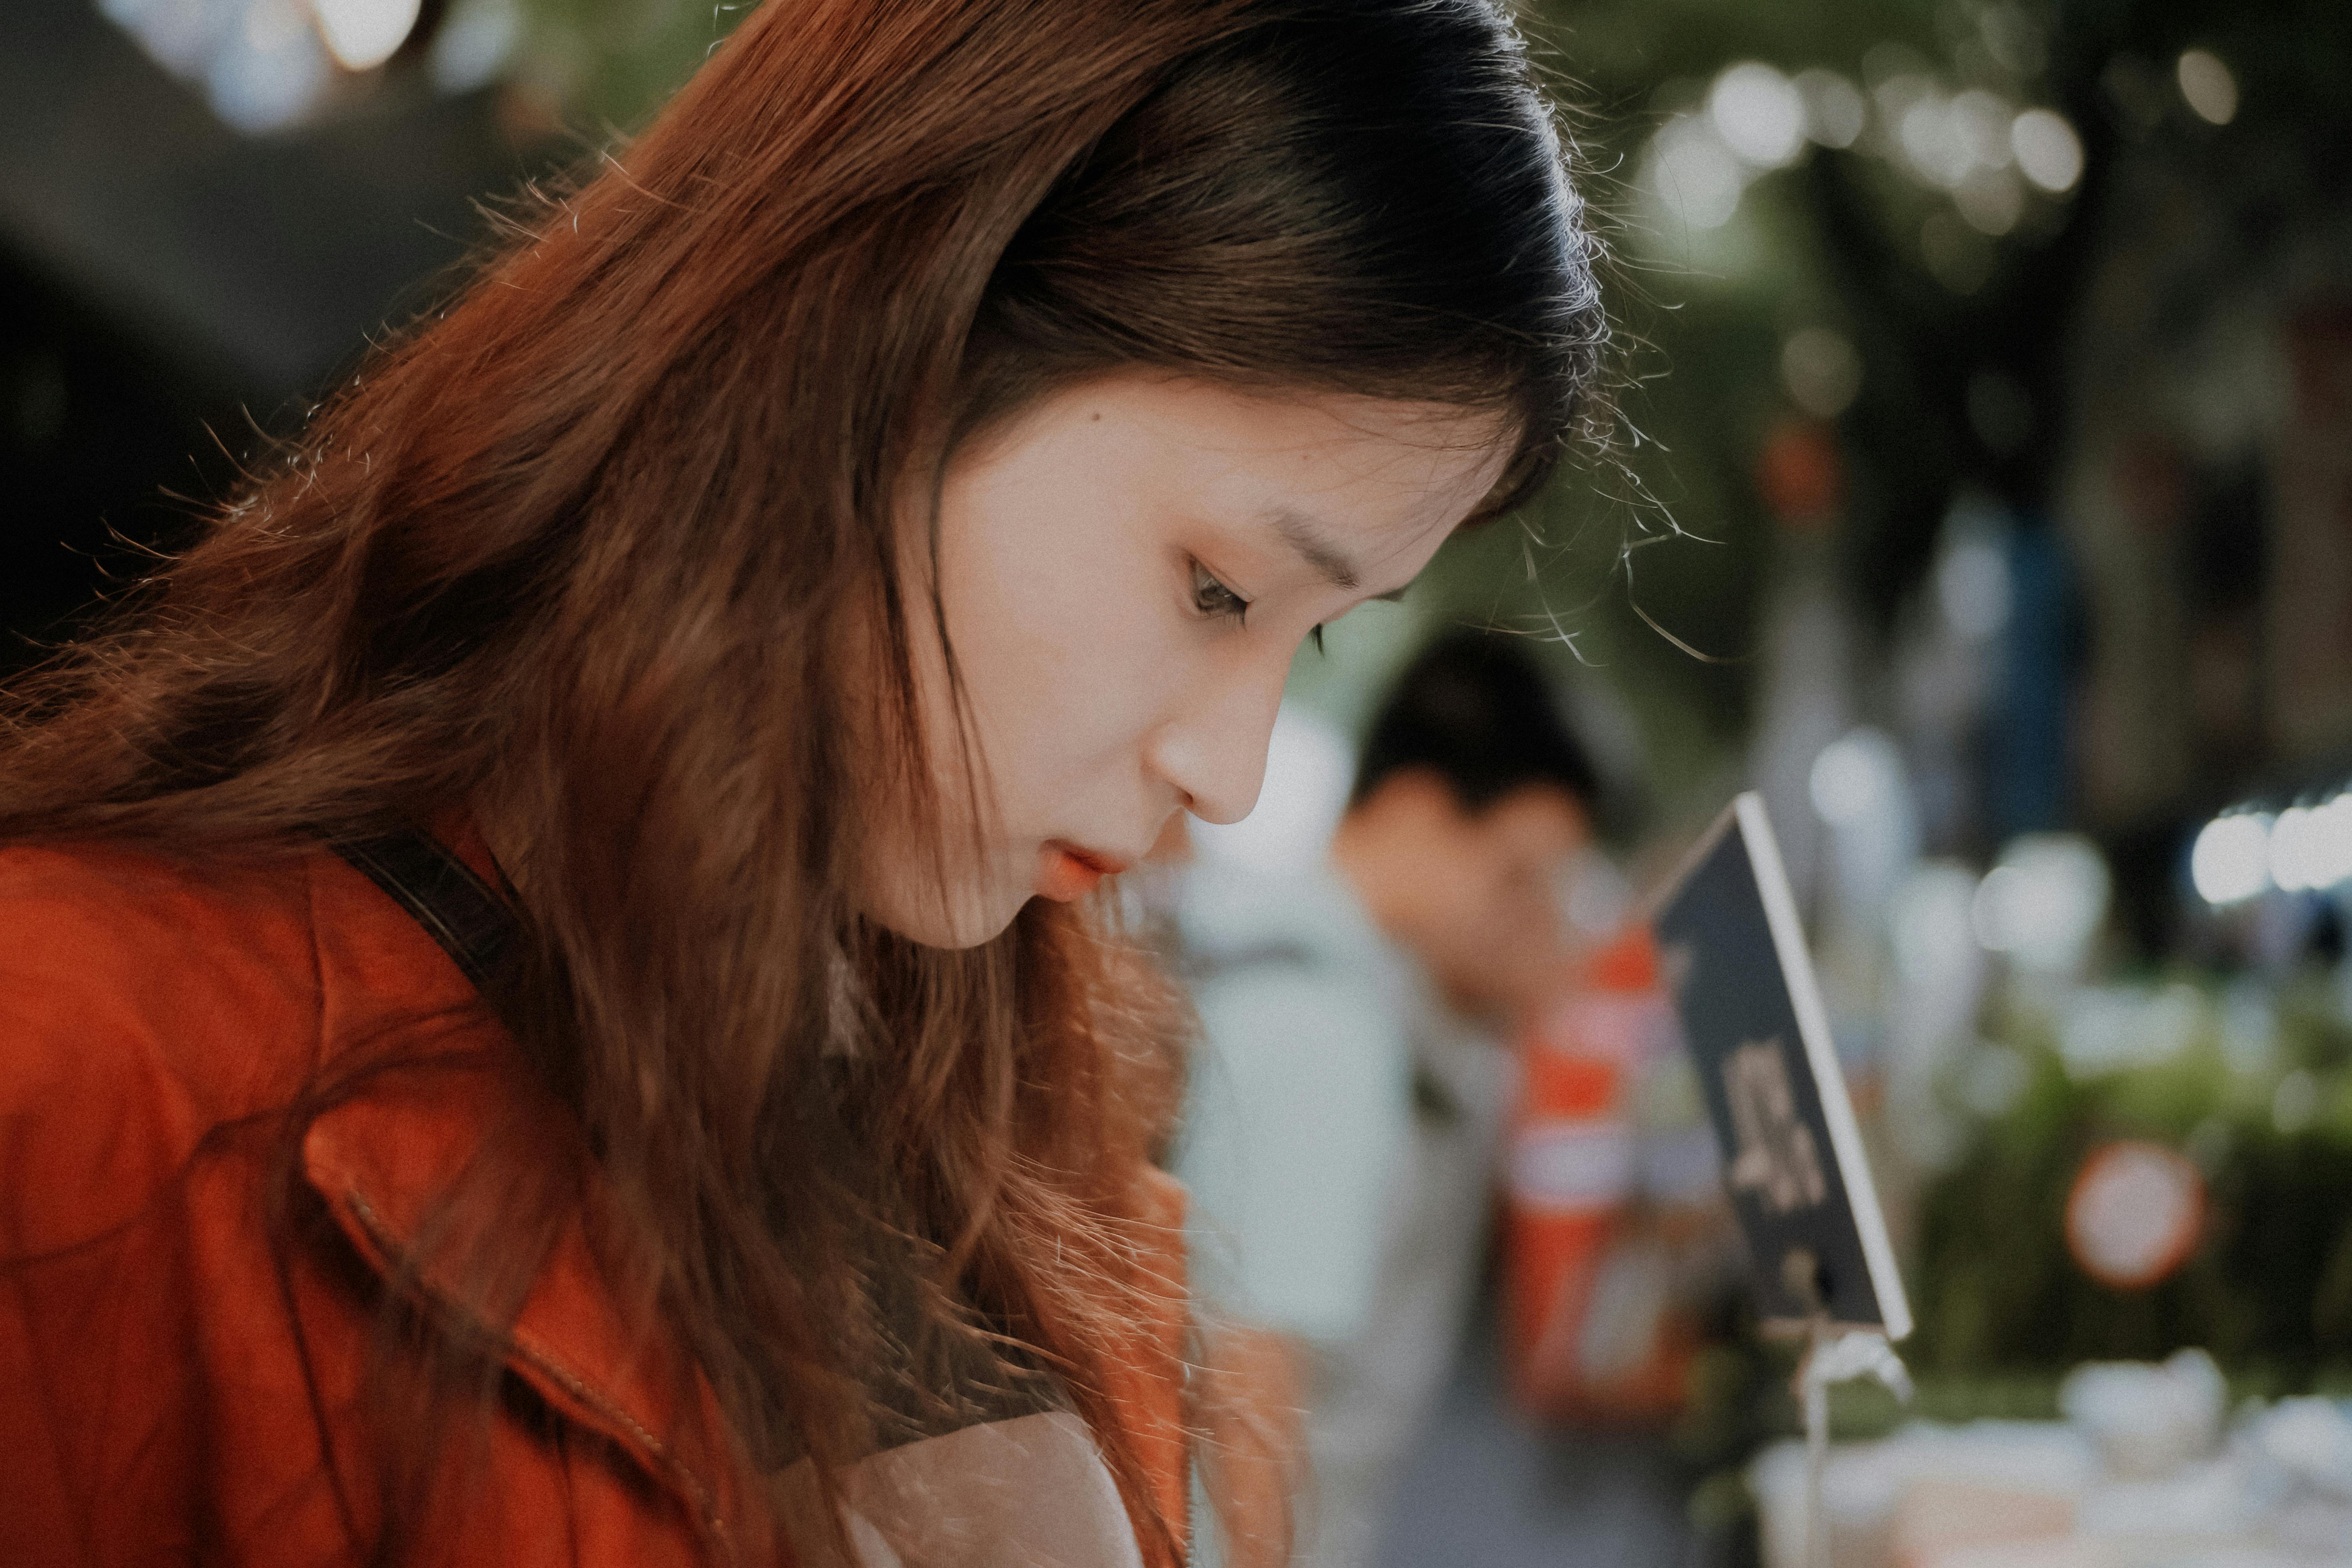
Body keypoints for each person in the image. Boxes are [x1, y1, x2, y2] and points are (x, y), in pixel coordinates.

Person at [0, 1, 1606, 1564]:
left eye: (1312, 644)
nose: (1233, 771)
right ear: (883, 349)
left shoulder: (1002, 1122)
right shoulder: (82, 1060)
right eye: (1219, 590)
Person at [1175, 631, 1602, 1568]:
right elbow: (1250, 1392)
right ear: (1412, 811)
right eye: (1519, 875)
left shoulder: (1310, 972)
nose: (1544, 922)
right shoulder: (1326, 1025)